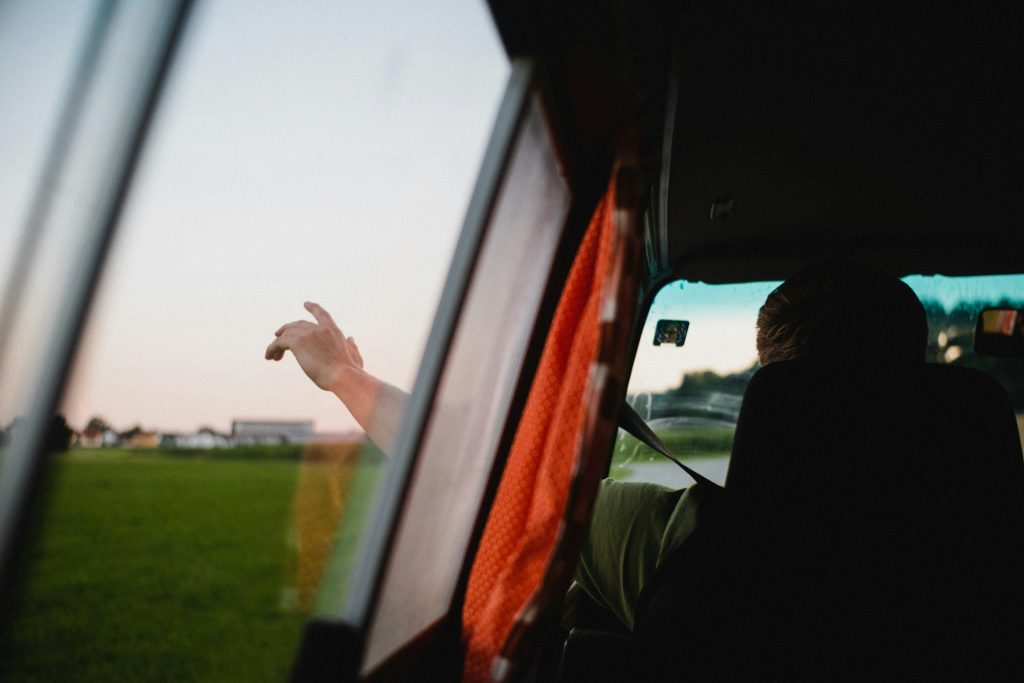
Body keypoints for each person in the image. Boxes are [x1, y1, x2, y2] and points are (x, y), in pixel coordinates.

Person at [265, 262, 929, 631]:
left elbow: (490, 472)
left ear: (772, 399)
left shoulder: (685, 541)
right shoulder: (982, 542)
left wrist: (343, 379)